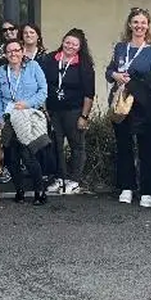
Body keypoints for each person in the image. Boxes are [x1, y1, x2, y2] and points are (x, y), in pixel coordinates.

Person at [105, 7, 151, 208]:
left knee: (147, 148)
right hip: (122, 105)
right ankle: (126, 187)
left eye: (143, 23)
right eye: (136, 22)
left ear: (148, 26)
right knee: (124, 146)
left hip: (143, 105)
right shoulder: (121, 48)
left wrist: (133, 81)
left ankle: (147, 190)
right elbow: (109, 71)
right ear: (130, 25)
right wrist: (116, 76)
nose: (139, 26)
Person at [39, 28, 96, 195]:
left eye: (74, 44)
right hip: (53, 110)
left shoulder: (84, 65)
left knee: (76, 145)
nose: (70, 46)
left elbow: (89, 94)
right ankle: (60, 177)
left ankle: (74, 179)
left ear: (80, 47)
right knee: (55, 144)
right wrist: (44, 108)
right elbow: (43, 85)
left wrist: (84, 116)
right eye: (67, 42)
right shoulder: (50, 59)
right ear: (62, 41)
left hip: (74, 111)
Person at [0, 39, 50, 205]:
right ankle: (19, 189)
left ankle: (40, 191)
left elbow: (43, 91)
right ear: (5, 54)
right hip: (9, 118)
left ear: (22, 51)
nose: (13, 54)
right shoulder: (1, 71)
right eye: (9, 51)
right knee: (11, 157)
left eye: (17, 50)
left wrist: (27, 103)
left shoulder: (33, 67)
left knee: (28, 155)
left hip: (28, 115)